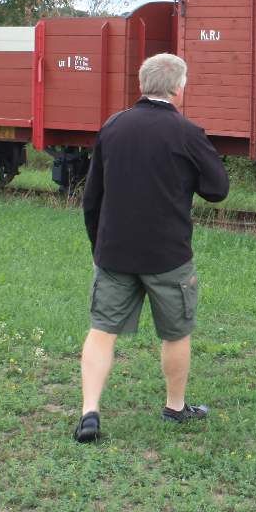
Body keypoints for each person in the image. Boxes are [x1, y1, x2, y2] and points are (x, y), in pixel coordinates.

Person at [74, 53, 230, 443]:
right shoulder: (187, 132)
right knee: (176, 332)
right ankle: (175, 408)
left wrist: (100, 247)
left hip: (114, 252)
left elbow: (92, 198)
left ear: (142, 85)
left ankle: (89, 411)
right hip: (167, 254)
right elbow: (217, 189)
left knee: (101, 330)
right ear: (178, 88)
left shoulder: (112, 127)